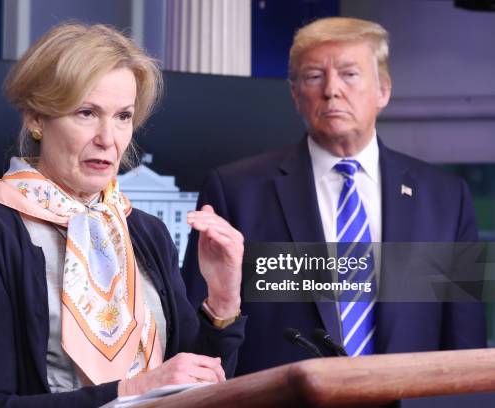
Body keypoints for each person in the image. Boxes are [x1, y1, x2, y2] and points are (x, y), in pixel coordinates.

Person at [0, 22, 245, 407]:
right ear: (36, 117)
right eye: (86, 112)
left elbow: (199, 383)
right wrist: (130, 391)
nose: (108, 138)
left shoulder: (145, 232)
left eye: (123, 116)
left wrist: (222, 302)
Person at [182, 17, 486, 376]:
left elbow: (466, 345)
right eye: (314, 76)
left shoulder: (447, 199)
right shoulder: (236, 191)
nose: (331, 90)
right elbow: (199, 335)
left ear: (383, 90)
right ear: (295, 94)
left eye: (349, 74)